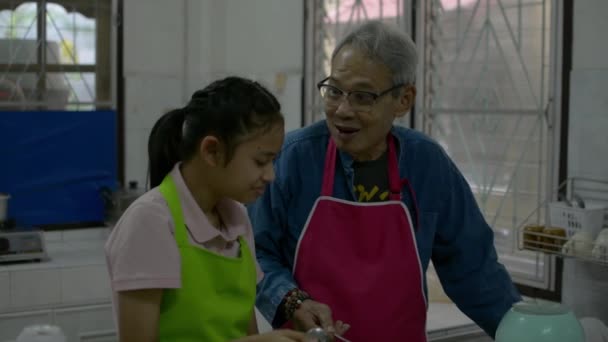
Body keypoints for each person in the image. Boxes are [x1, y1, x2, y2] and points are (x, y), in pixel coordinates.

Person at [248, 21, 521, 341]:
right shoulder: (293, 159)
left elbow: (475, 271)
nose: (342, 110)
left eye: (363, 97)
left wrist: (523, 333)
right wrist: (293, 301)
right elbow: (254, 254)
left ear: (404, 100)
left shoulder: (427, 164)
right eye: (334, 91)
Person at [105, 77, 306, 342]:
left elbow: (247, 332)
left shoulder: (238, 220)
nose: (270, 175)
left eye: (273, 161)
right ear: (212, 152)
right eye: (260, 162)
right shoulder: (151, 222)